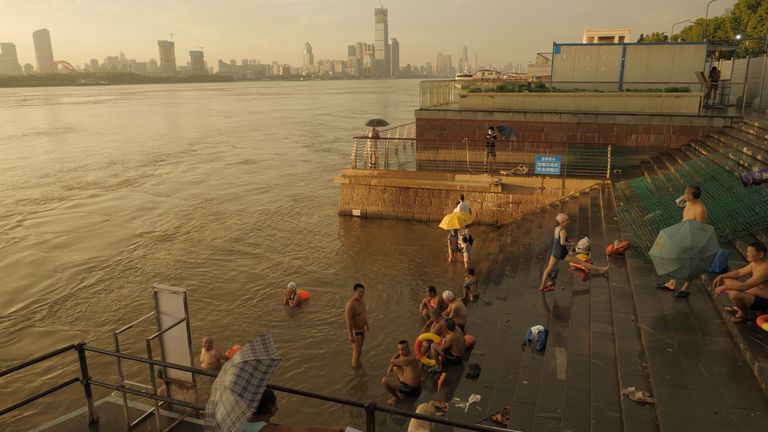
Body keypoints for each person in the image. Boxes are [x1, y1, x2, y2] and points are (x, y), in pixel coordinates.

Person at [656, 185, 708, 297]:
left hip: (692, 238)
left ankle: (686, 287)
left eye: (686, 194)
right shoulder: (688, 203)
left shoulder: (700, 209)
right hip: (682, 234)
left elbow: (700, 228)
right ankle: (672, 283)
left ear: (691, 196)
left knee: (690, 264)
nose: (684, 195)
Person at [538, 213, 609, 292]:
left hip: (555, 251)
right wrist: (571, 244)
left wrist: (568, 241)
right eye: (567, 220)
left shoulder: (557, 228)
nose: (568, 222)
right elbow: (562, 243)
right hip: (561, 253)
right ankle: (600, 269)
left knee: (548, 269)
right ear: (562, 222)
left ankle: (542, 286)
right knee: (581, 262)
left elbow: (559, 240)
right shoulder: (563, 231)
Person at [238, 388, 345, 432]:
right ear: (272, 409)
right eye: (275, 404)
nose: (277, 407)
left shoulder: (237, 419)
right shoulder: (268, 429)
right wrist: (337, 430)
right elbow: (306, 431)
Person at [713, 241, 768, 323]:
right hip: (755, 292)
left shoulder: (765, 269)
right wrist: (722, 276)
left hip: (764, 301)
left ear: (761, 254)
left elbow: (745, 286)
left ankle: (743, 313)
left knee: (734, 294)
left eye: (750, 252)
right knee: (726, 279)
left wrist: (724, 287)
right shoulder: (755, 263)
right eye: (747, 252)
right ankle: (741, 306)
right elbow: (739, 272)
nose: (747, 254)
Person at [381, 340, 422, 404]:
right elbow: (396, 362)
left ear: (408, 348)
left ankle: (397, 398)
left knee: (384, 380)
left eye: (403, 350)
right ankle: (399, 387)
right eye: (399, 350)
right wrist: (393, 365)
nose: (401, 352)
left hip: (411, 389)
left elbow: (392, 360)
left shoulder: (407, 359)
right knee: (395, 368)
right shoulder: (410, 354)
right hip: (413, 386)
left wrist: (392, 363)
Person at [345, 283, 368, 368]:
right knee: (356, 351)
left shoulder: (361, 301)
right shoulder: (351, 304)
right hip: (355, 332)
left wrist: (366, 324)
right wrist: (350, 335)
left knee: (360, 350)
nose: (361, 294)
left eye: (363, 292)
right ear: (355, 292)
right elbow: (347, 320)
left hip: (362, 330)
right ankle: (355, 371)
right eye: (360, 292)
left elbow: (363, 313)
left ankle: (358, 364)